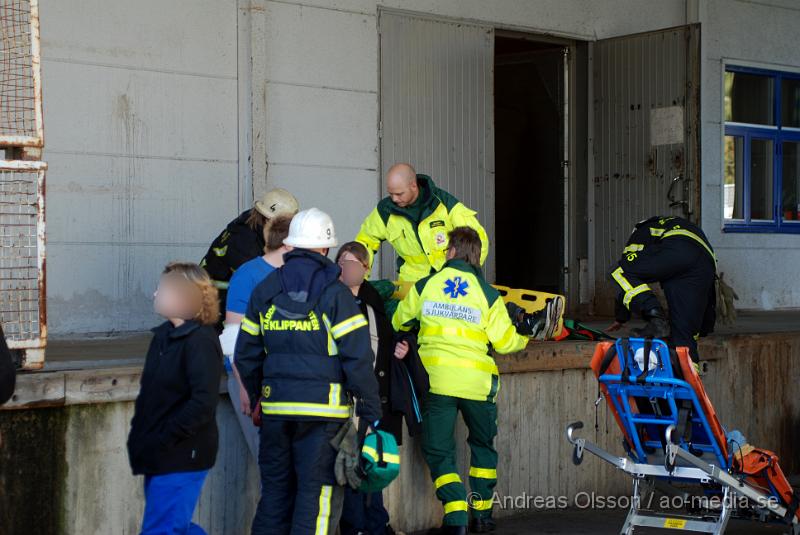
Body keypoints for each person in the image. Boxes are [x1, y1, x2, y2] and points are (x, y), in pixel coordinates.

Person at [234, 208, 382, 535]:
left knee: (275, 496)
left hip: (276, 413)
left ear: (291, 245)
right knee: (318, 497)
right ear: (326, 249)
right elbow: (358, 358)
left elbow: (245, 353)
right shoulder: (336, 294)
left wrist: (261, 395)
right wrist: (371, 411)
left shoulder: (265, 290)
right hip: (323, 417)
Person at [392, 227, 533, 535]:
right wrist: (525, 335)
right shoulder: (487, 293)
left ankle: (455, 518)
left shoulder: (427, 285)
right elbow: (507, 342)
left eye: (446, 251)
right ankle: (482, 516)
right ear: (476, 255)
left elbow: (398, 320)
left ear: (453, 251)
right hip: (478, 386)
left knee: (439, 451)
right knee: (482, 446)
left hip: (438, 384)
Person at [127, 262, 223, 535]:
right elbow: (152, 396)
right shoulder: (163, 337)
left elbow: (202, 403)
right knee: (173, 527)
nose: (155, 294)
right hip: (159, 453)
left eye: (163, 290)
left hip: (181, 454)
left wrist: (164, 437)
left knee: (161, 529)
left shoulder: (200, 341)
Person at [336, 241, 407, 535]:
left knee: (373, 464)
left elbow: (385, 342)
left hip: (375, 399)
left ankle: (377, 524)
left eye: (352, 263)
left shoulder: (373, 301)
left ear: (365, 269)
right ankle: (356, 527)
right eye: (341, 263)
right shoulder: (331, 300)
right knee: (351, 467)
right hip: (345, 401)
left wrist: (399, 348)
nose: (346, 269)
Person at [219, 215, 293, 460]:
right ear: (289, 244)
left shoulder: (296, 274)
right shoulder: (248, 275)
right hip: (252, 377)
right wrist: (245, 386)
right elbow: (233, 336)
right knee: (269, 463)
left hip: (283, 377)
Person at [607, 216, 716, 362]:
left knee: (617, 272)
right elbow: (708, 292)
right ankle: (687, 382)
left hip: (677, 249)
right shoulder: (676, 225)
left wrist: (621, 317)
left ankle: (657, 319)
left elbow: (627, 271)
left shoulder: (641, 231)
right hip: (706, 262)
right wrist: (704, 326)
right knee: (683, 343)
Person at [356, 163, 489, 283]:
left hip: (448, 285)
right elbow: (365, 241)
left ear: (413, 186)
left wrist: (463, 276)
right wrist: (359, 279)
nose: (394, 199)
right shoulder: (385, 210)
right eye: (391, 194)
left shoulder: (444, 204)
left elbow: (478, 241)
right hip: (410, 288)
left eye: (399, 194)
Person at [200, 188, 299, 326]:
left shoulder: (251, 227)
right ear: (267, 219)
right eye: (283, 227)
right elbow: (261, 284)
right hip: (215, 306)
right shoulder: (245, 242)